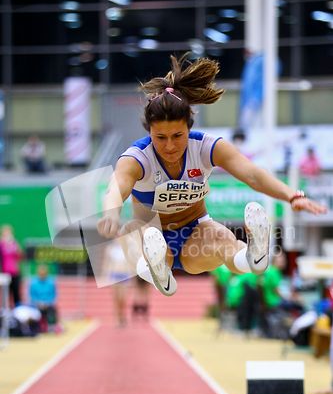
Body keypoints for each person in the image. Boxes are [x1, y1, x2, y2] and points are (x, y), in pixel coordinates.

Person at [97, 54, 326, 297]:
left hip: (194, 231)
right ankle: (156, 269)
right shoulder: (137, 158)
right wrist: (110, 213)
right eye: (160, 138)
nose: (170, 146)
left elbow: (253, 175)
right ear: (149, 132)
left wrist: (292, 196)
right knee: (135, 232)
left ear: (189, 127)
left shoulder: (207, 147)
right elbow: (116, 189)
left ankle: (253, 257)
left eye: (177, 136)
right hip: (151, 232)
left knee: (221, 238)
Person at [29, 264, 59, 332]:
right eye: (41, 273)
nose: (42, 275)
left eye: (43, 273)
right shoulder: (33, 283)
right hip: (37, 304)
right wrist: (38, 303)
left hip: (48, 304)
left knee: (52, 309)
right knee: (33, 310)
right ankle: (37, 326)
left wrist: (47, 303)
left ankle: (51, 327)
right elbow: (31, 296)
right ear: (38, 273)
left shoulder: (51, 283)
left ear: (46, 273)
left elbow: (54, 295)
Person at [0, 225, 23, 306]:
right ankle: (6, 310)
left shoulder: (14, 243)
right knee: (6, 294)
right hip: (5, 273)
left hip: (15, 272)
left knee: (16, 293)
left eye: (9, 232)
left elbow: (20, 255)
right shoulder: (1, 244)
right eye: (5, 233)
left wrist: (15, 243)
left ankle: (18, 311)